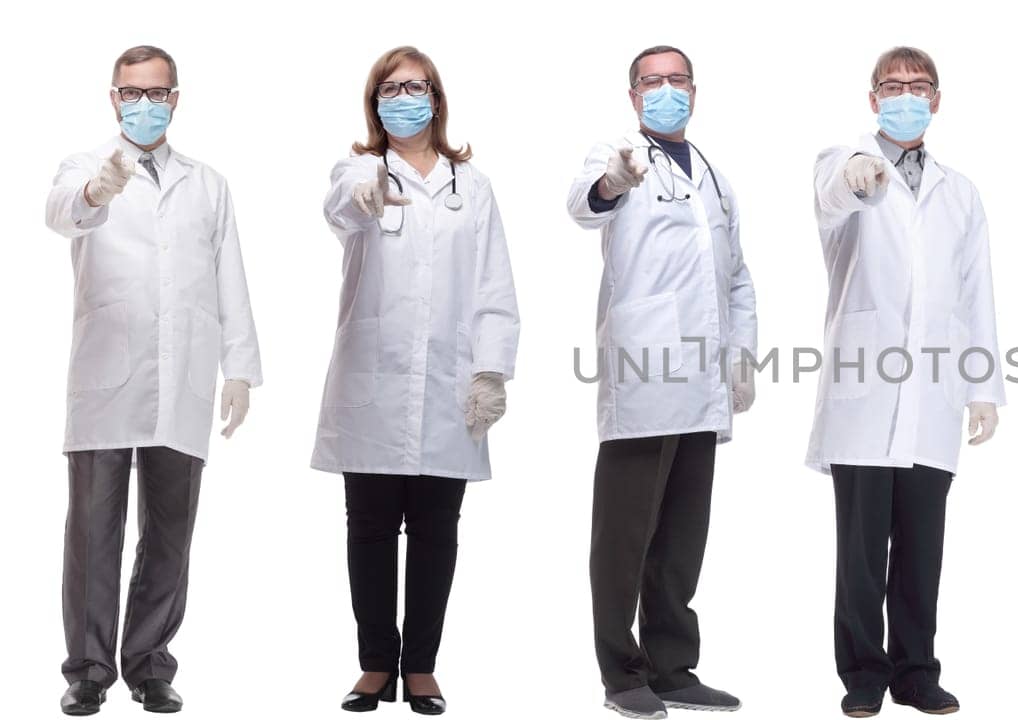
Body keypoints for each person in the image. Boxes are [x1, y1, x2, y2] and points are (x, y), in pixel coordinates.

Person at [45, 44, 263, 716]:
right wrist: (96, 192)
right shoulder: (84, 167)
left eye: (157, 93)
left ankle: (149, 665)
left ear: (176, 98)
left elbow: (230, 275)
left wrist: (241, 371)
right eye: (132, 93)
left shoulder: (208, 183)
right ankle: (87, 670)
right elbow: (60, 214)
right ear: (113, 98)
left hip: (185, 379)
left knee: (170, 531)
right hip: (107, 377)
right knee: (94, 530)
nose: (145, 105)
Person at [313, 46, 520, 716]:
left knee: (438, 529)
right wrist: (363, 195)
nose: (405, 97)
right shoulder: (359, 170)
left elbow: (494, 285)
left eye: (417, 85)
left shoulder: (473, 185)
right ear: (373, 101)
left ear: (438, 96)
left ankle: (422, 667)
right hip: (373, 382)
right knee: (368, 527)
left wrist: (491, 370)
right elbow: (340, 209)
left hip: (447, 386)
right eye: (391, 88)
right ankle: (376, 665)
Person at [808, 46, 1005, 719]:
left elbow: (976, 294)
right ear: (871, 99)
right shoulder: (842, 163)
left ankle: (917, 672)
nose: (906, 96)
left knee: (923, 546)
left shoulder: (961, 191)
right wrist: (857, 178)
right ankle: (864, 672)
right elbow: (832, 203)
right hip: (865, 389)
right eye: (892, 86)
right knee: (861, 551)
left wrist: (982, 388)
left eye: (919, 87)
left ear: (938, 100)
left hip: (934, 393)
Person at [566, 44, 756, 720]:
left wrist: (742, 354)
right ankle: (622, 674)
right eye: (653, 81)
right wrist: (615, 181)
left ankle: (673, 667)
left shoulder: (714, 176)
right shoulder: (614, 155)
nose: (666, 89)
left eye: (677, 79)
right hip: (644, 374)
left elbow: (736, 274)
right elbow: (584, 205)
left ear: (696, 91)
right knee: (624, 535)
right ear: (633, 96)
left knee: (682, 532)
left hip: (702, 380)